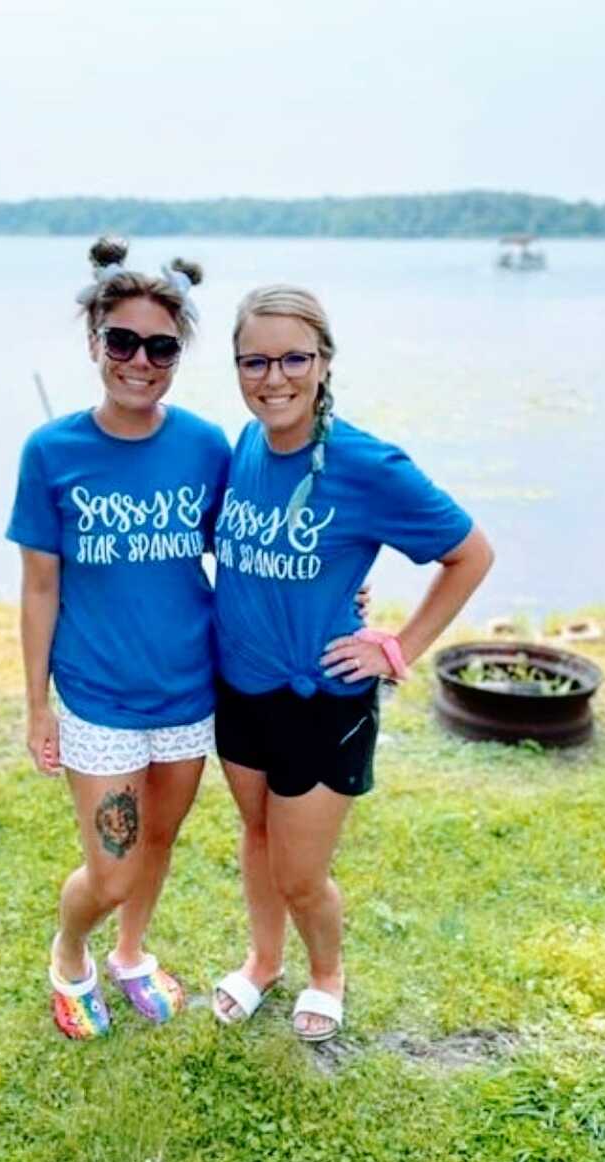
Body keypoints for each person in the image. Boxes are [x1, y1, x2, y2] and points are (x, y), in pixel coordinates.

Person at [211, 285, 494, 1042]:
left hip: (322, 701)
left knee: (301, 873)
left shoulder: (367, 464)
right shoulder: (243, 446)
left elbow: (469, 553)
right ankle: (263, 961)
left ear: (326, 363)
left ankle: (326, 974)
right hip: (238, 690)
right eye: (255, 362)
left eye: (294, 358)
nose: (275, 378)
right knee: (258, 834)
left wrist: (395, 645)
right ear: (237, 369)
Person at [6, 236, 229, 1039]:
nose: (141, 360)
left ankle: (132, 954)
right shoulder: (52, 453)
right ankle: (72, 953)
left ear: (178, 354)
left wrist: (342, 590)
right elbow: (39, 585)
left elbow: (242, 549)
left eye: (161, 346)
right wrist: (38, 706)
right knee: (111, 869)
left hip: (188, 691)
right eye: (123, 341)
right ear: (97, 342)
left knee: (160, 839)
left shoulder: (205, 446)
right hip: (99, 700)